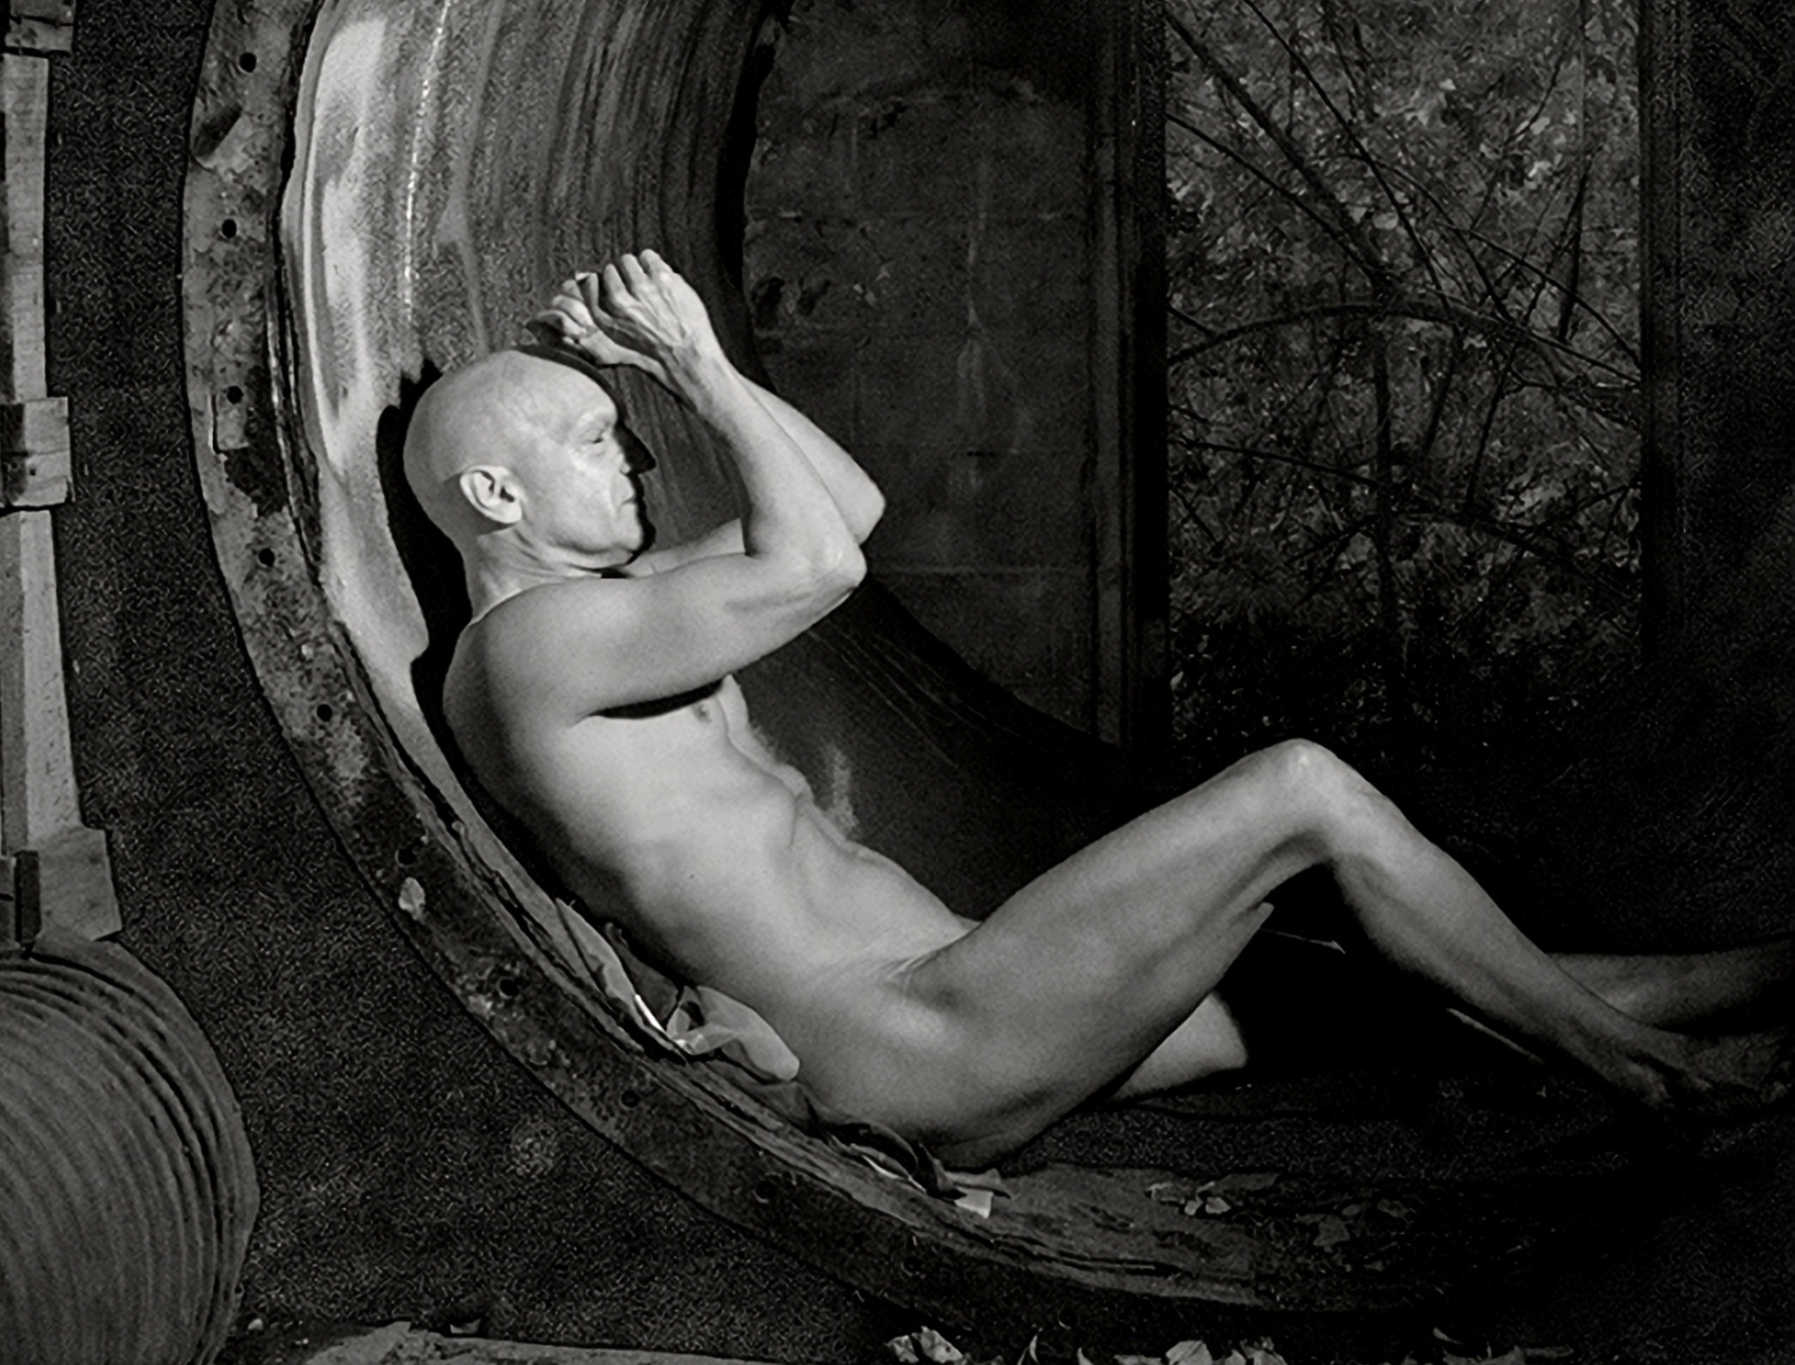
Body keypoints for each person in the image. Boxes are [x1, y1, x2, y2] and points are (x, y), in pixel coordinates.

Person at [403, 249, 1790, 1165]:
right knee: (1303, 790)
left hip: (973, 989)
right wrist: (700, 370)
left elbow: (847, 512)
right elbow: (816, 567)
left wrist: (675, 374)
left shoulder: (612, 611)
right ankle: (1654, 1082)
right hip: (918, 1041)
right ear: (495, 495)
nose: (637, 462)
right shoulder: (523, 656)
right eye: (596, 441)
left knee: (1390, 987)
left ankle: (1740, 984)